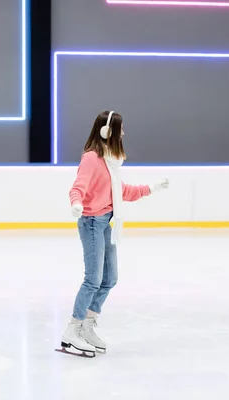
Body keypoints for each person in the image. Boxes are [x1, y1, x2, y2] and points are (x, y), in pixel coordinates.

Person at [59, 110, 169, 357]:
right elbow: (77, 188)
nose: (124, 133)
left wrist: (151, 188)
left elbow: (121, 192)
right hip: (91, 222)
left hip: (106, 222)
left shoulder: (110, 161)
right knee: (93, 279)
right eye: (121, 129)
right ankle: (72, 330)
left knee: (110, 279)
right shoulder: (91, 159)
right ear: (108, 132)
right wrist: (76, 204)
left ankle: (87, 324)